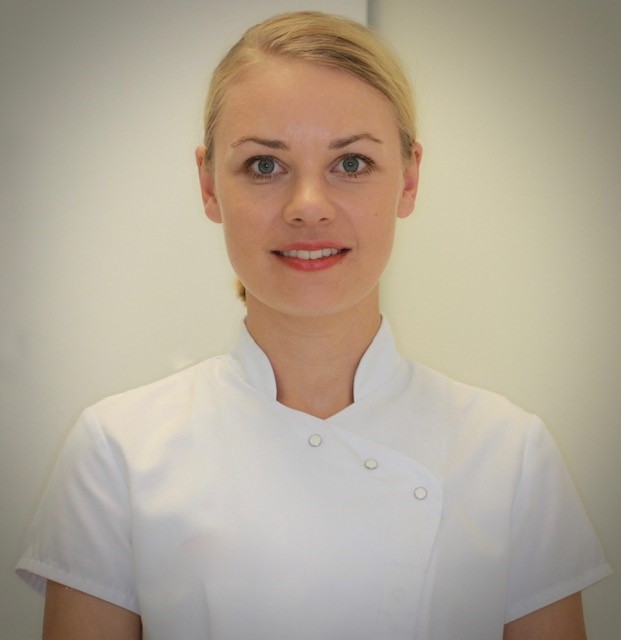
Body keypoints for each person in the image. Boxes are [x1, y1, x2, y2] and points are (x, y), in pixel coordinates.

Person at [16, 11, 611, 640]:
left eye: (350, 163)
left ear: (408, 179)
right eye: (264, 166)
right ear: (208, 184)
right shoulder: (117, 453)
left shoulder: (509, 455)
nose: (308, 207)